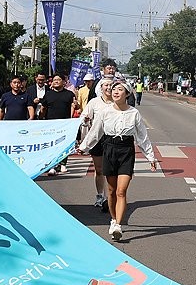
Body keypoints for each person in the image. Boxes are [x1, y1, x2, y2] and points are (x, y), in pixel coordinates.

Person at [77, 80, 158, 241]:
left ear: (127, 94)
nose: (115, 91)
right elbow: (95, 132)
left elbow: (142, 137)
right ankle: (113, 219)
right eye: (114, 89)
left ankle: (118, 225)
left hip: (126, 150)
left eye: (119, 89)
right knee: (112, 191)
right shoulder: (105, 112)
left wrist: (151, 157)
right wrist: (84, 147)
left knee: (121, 190)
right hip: (109, 148)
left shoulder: (134, 113)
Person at [80, 78, 114, 209]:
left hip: (112, 139)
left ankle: (112, 196)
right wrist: (86, 119)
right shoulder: (94, 102)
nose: (109, 87)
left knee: (111, 170)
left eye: (112, 85)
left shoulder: (118, 102)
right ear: (101, 87)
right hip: (97, 139)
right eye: (106, 85)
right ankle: (100, 195)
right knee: (99, 170)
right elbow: (83, 118)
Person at [41, 74, 77, 175]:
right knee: (52, 145)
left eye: (59, 79)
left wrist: (71, 117)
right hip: (51, 124)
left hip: (65, 124)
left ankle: (63, 164)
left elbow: (74, 107)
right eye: (54, 80)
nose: (56, 81)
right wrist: (42, 118)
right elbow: (43, 108)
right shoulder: (48, 94)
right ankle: (52, 165)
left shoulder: (69, 94)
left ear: (64, 82)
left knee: (64, 144)